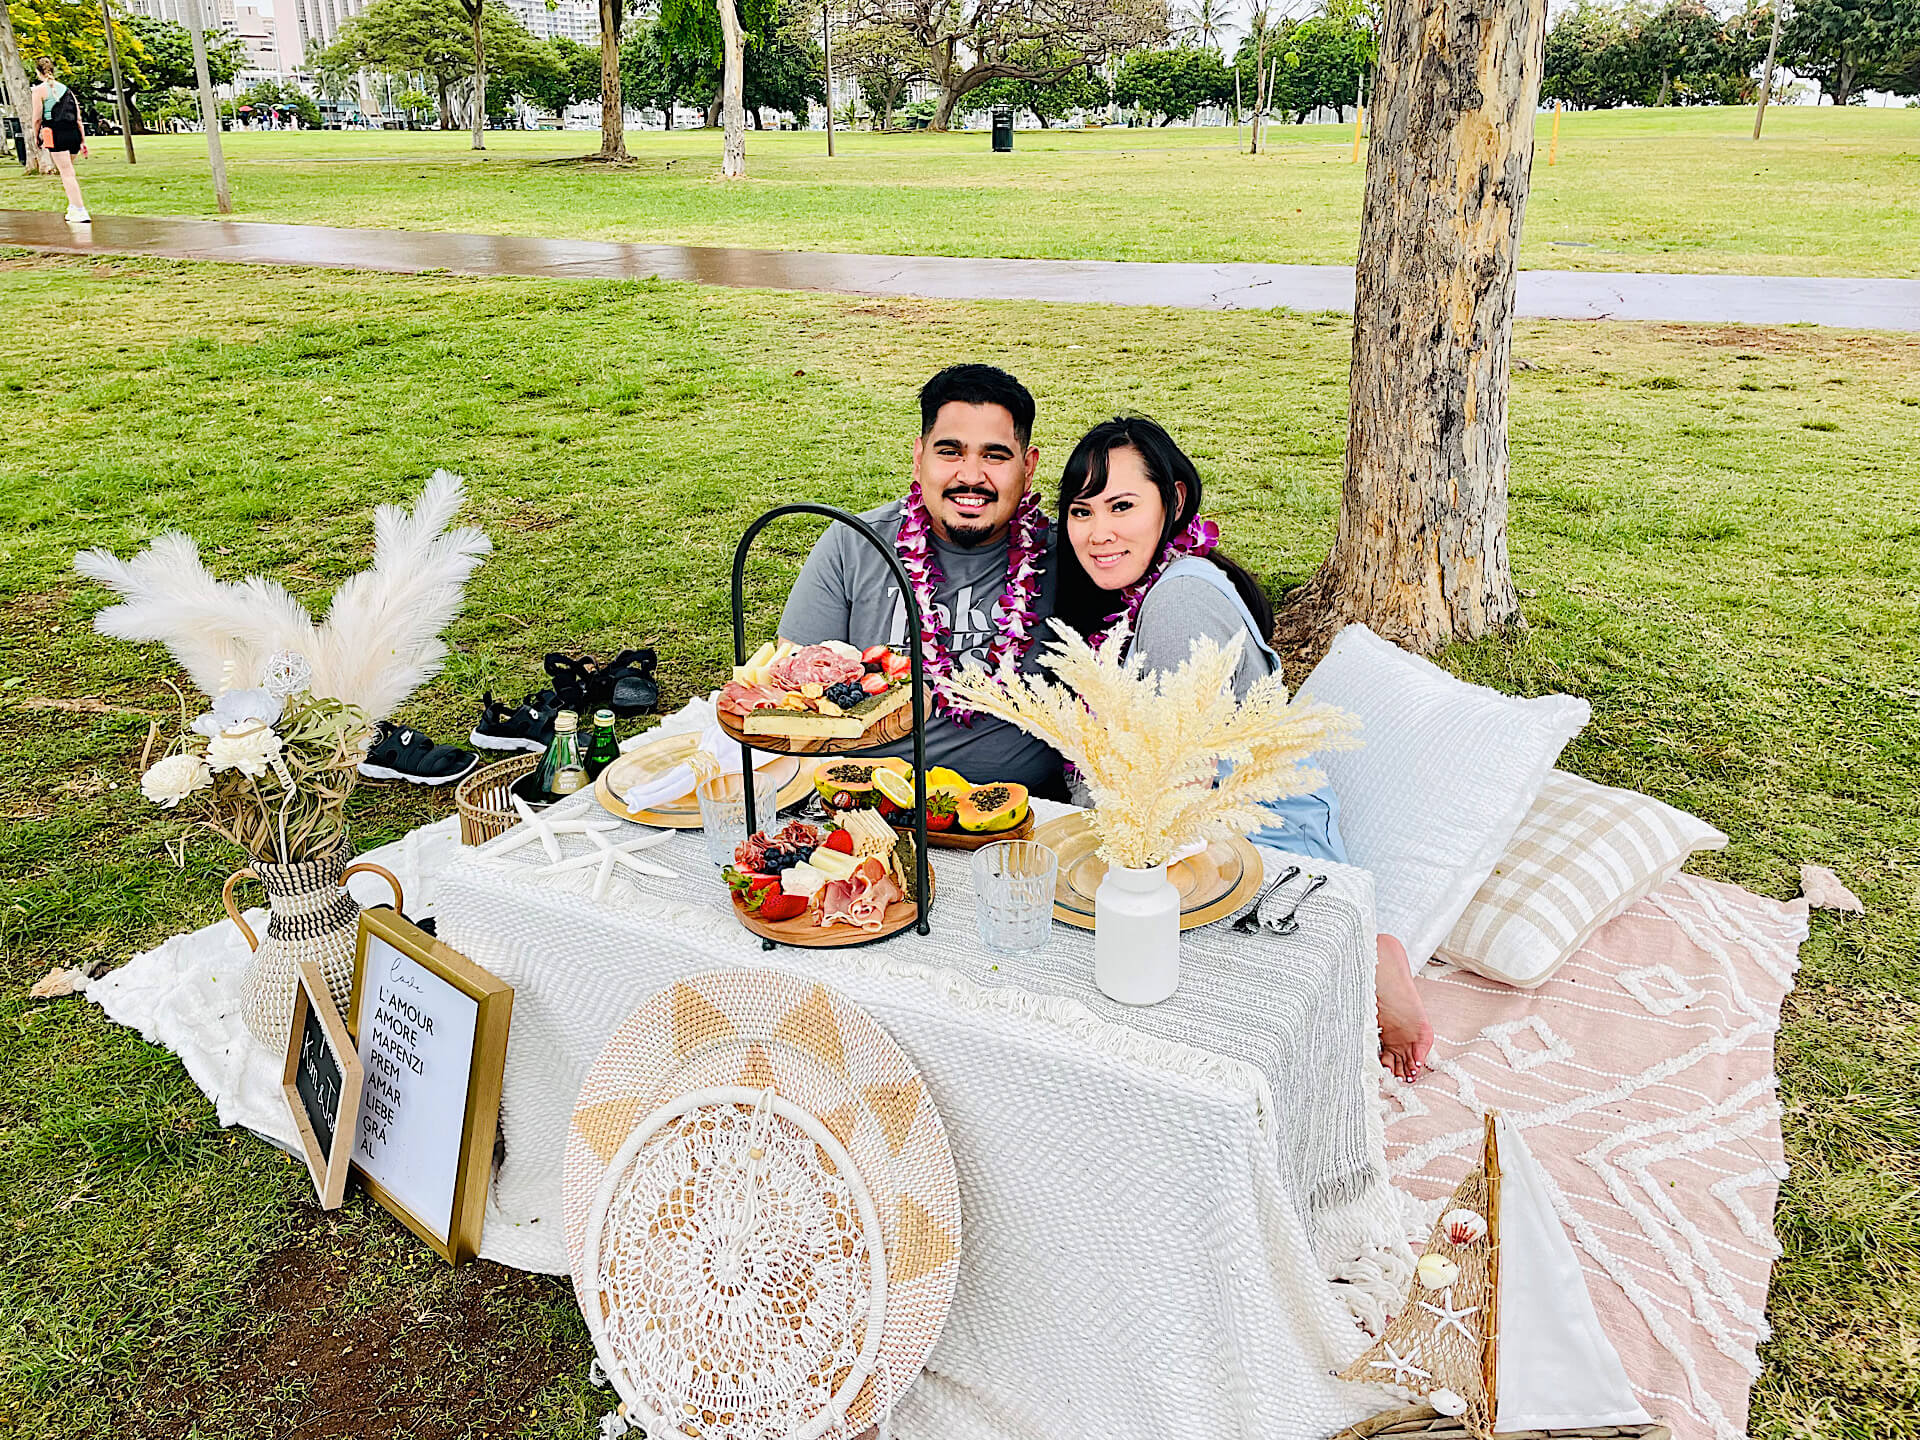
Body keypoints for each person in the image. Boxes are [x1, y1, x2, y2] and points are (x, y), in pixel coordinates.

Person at [1055, 415, 1434, 1082]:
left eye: (1121, 506)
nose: (1097, 532)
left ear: (1173, 502)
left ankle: (1367, 955)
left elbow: (1174, 788)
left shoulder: (1177, 602)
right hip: (1227, 831)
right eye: (1081, 512)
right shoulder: (1157, 590)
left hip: (1265, 847)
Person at [779, 364, 1063, 795]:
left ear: (1028, 466)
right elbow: (790, 695)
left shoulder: (1070, 556)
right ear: (918, 457)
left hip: (1025, 815)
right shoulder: (854, 544)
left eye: (994, 455)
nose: (970, 475)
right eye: (950, 451)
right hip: (863, 800)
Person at [31, 57, 90, 223]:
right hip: (73, 134)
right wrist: (83, 140)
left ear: (38, 72)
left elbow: (37, 118)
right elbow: (78, 117)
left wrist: (35, 136)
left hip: (56, 133)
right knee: (69, 170)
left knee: (66, 173)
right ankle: (73, 206)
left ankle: (79, 209)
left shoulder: (38, 91)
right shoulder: (66, 89)